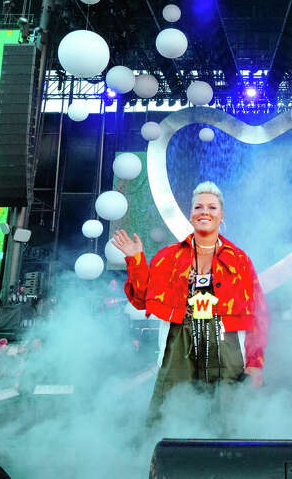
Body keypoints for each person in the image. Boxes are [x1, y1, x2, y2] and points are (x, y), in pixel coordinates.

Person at [113, 181, 269, 422]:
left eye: (212, 207)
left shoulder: (239, 260)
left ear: (221, 215)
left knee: (224, 421)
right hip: (178, 344)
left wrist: (255, 362)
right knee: (169, 417)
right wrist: (135, 260)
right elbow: (141, 299)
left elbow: (259, 313)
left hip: (225, 347)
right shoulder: (168, 257)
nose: (204, 212)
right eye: (198, 207)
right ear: (191, 214)